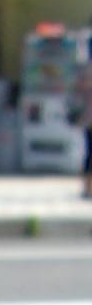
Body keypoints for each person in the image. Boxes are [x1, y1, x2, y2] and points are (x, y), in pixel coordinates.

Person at [72, 48, 92, 199]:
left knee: (89, 152)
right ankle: (88, 186)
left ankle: (87, 187)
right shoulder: (87, 71)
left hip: (87, 118)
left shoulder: (85, 70)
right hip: (88, 118)